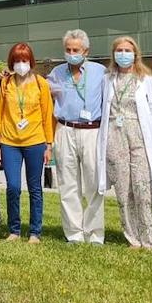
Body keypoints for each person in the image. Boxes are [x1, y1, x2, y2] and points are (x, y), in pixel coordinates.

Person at [98, 36, 152, 250]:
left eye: (128, 50)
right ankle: (132, 238)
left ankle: (148, 238)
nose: (123, 54)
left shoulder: (146, 79)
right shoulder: (108, 79)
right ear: (114, 54)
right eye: (119, 50)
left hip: (140, 134)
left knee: (143, 187)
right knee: (124, 190)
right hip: (115, 136)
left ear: (136, 54)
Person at [46, 29, 106, 244]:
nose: (72, 53)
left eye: (76, 50)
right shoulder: (56, 73)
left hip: (92, 131)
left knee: (93, 183)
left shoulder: (101, 72)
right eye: (68, 49)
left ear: (86, 51)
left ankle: (95, 233)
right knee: (68, 184)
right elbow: (40, 93)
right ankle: (74, 233)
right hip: (65, 129)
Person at [0, 43, 54, 243]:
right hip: (9, 142)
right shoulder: (6, 83)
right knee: (12, 187)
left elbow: (47, 115)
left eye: (24, 60)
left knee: (35, 188)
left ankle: (35, 232)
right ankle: (14, 230)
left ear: (31, 62)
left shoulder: (40, 83)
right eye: (17, 61)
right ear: (12, 62)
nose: (21, 64)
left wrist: (48, 144)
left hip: (35, 142)